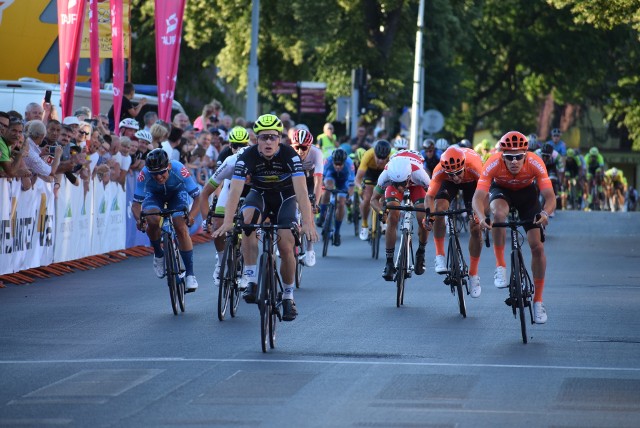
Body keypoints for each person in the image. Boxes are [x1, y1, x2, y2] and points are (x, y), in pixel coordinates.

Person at [212, 114, 318, 322]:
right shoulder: (247, 157)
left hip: (285, 198)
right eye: (263, 137)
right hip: (258, 195)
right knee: (246, 220)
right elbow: (235, 191)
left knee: (287, 246)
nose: (268, 142)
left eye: (272, 137)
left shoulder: (290, 156)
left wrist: (308, 223)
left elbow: (302, 191)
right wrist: (226, 222)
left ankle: (288, 296)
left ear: (279, 138)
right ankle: (251, 278)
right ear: (256, 139)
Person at [472, 131, 555, 324]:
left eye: (519, 157)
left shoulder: (535, 162)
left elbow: (550, 197)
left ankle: (538, 301)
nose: (514, 161)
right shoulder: (492, 163)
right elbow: (478, 197)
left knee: (538, 247)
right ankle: (501, 266)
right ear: (502, 156)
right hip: (501, 192)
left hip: (527, 196)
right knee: (499, 215)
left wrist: (544, 213)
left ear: (526, 155)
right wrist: (481, 216)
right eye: (509, 157)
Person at [131, 148, 203, 292]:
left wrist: (192, 216)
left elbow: (198, 197)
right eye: (154, 174)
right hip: (154, 196)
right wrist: (139, 220)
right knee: (151, 219)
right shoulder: (144, 174)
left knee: (180, 225)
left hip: (177, 193)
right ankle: (158, 253)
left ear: (168, 166)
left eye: (161, 172)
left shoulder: (179, 169)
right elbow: (136, 205)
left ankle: (190, 274)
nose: (158, 177)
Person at [426, 146, 484, 297]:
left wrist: (480, 216)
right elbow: (429, 197)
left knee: (476, 227)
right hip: (447, 185)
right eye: (451, 174)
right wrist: (430, 217)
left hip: (472, 184)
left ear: (463, 166)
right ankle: (440, 256)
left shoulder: (475, 165)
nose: (456, 178)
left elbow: (485, 194)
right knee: (439, 210)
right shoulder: (440, 170)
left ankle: (474, 275)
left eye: (458, 173)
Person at [199, 126, 251, 287]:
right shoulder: (229, 162)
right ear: (230, 146)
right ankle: (221, 262)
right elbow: (206, 192)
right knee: (218, 225)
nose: (238, 148)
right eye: (235, 145)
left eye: (242, 145)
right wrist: (207, 217)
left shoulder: (257, 161)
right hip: (230, 188)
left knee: (250, 229)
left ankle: (246, 269)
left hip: (251, 192)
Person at [370, 149, 430, 281]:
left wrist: (430, 215)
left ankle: (421, 252)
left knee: (422, 218)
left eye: (402, 184)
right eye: (396, 185)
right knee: (393, 216)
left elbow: (432, 196)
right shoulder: (385, 175)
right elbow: (373, 199)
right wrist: (381, 212)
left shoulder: (419, 174)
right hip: (399, 178)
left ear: (408, 176)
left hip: (416, 186)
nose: (400, 188)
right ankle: (389, 262)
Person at [291, 128, 324, 266]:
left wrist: (315, 203)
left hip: (310, 181)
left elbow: (318, 182)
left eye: (304, 147)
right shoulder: (288, 152)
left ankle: (310, 250)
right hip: (293, 180)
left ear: (309, 146)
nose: (300, 150)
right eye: (297, 147)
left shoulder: (317, 153)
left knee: (309, 212)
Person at [354, 139, 392, 240]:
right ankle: (364, 224)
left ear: (387, 156)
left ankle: (384, 220)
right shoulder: (368, 155)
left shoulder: (392, 158)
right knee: (367, 199)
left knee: (386, 198)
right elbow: (358, 178)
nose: (380, 160)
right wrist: (360, 187)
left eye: (383, 158)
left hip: (384, 173)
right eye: (378, 157)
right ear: (374, 153)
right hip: (370, 174)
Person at [318, 148, 355, 247]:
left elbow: (351, 185)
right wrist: (321, 187)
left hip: (344, 181)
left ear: (344, 162)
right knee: (327, 188)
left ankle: (337, 232)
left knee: (341, 202)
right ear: (333, 161)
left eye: (340, 165)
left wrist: (348, 196)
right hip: (331, 176)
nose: (338, 167)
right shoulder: (328, 161)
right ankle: (322, 216)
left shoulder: (349, 164)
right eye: (336, 164)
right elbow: (321, 177)